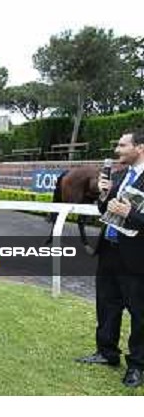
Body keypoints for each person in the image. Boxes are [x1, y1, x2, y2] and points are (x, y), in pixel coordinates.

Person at [76, 129, 144, 388]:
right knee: (106, 304)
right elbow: (105, 210)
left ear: (139, 148)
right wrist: (103, 197)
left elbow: (131, 215)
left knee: (139, 313)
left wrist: (131, 214)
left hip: (137, 258)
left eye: (123, 145)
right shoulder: (118, 176)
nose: (117, 150)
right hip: (109, 250)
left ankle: (137, 365)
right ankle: (107, 352)